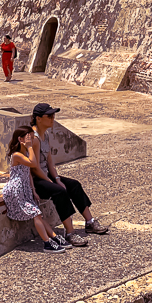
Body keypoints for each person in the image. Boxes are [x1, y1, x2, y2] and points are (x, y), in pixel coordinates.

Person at [30, 103, 108, 244]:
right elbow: (34, 168)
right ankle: (70, 233)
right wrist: (51, 182)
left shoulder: (45, 135)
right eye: (49, 116)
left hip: (45, 175)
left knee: (74, 185)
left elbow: (49, 161)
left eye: (53, 116)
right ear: (38, 119)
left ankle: (90, 222)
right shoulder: (34, 139)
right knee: (59, 191)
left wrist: (57, 178)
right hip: (34, 181)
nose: (53, 119)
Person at [1, 126, 67, 253]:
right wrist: (30, 147)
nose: (31, 141)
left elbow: (29, 173)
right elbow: (33, 164)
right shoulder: (16, 155)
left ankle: (53, 237)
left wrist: (33, 190)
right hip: (16, 191)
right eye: (28, 138)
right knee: (36, 213)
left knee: (38, 213)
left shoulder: (25, 153)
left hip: (25, 189)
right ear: (20, 139)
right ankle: (47, 243)